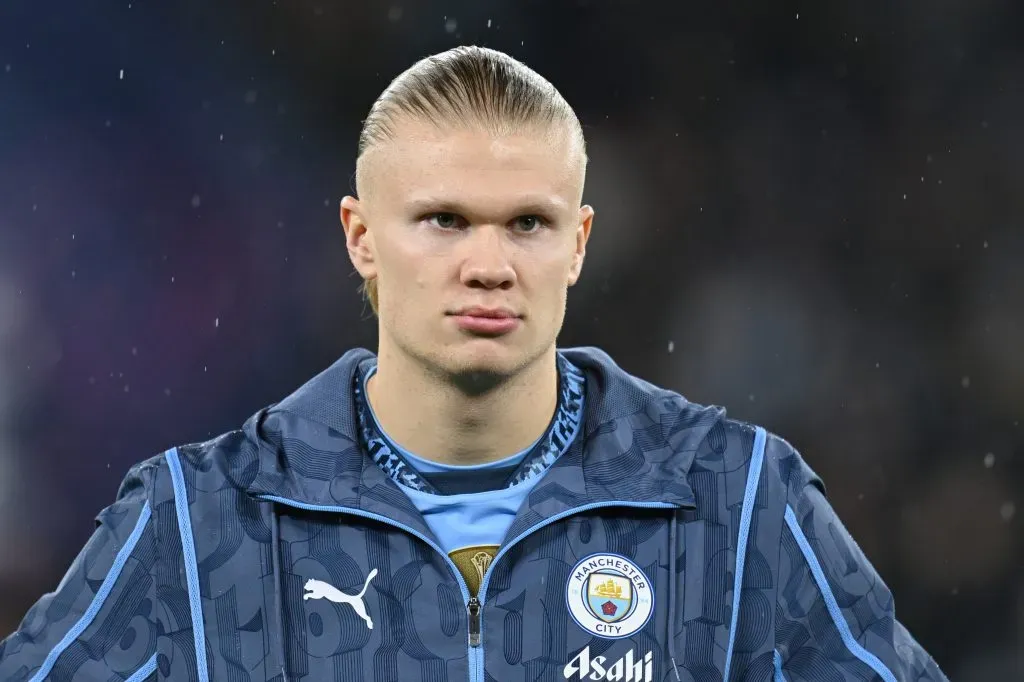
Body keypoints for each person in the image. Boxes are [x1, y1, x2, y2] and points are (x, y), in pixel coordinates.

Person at [0, 46, 947, 682]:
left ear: (577, 243)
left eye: (527, 224)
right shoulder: (197, 525)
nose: (489, 264)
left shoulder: (737, 506)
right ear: (362, 238)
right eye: (444, 219)